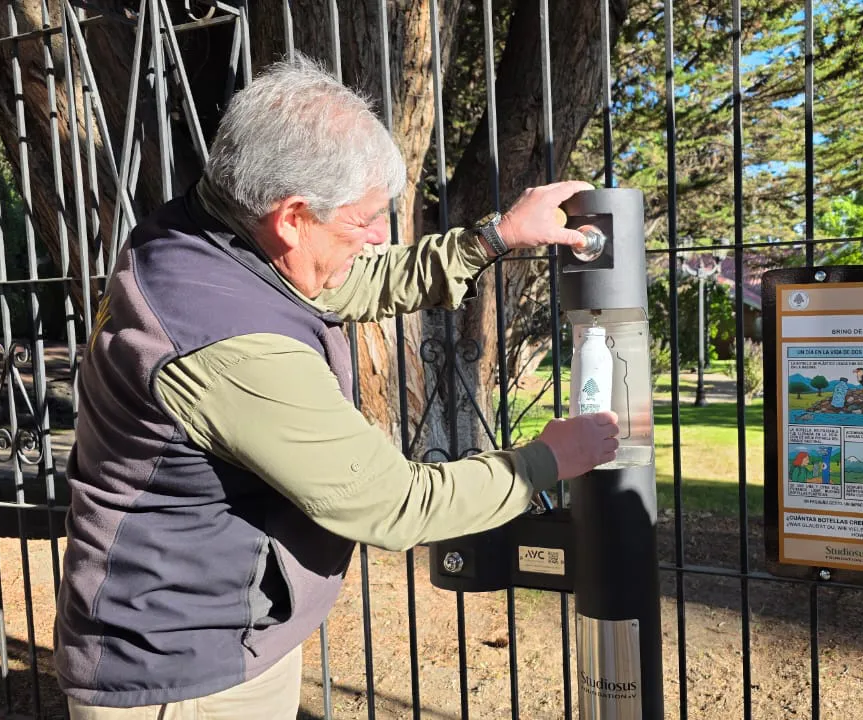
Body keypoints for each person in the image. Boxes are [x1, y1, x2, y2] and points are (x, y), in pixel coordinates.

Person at [54, 52, 620, 718]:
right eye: (361, 220)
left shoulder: (210, 228)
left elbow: (353, 277)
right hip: (184, 671)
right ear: (291, 216)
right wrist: (545, 462)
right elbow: (396, 504)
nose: (376, 237)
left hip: (207, 631)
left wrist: (493, 239)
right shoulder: (231, 347)